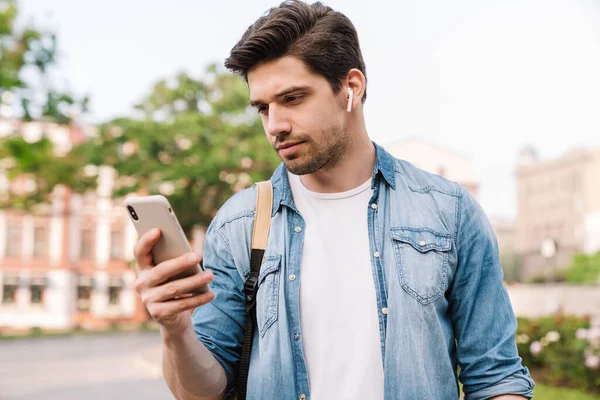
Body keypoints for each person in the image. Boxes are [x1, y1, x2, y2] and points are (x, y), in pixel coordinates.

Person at [132, 1, 535, 399]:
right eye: (263, 108)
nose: (275, 126)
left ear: (351, 88)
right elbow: (201, 392)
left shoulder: (448, 210)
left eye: (293, 98)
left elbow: (496, 378)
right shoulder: (240, 222)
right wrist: (176, 330)